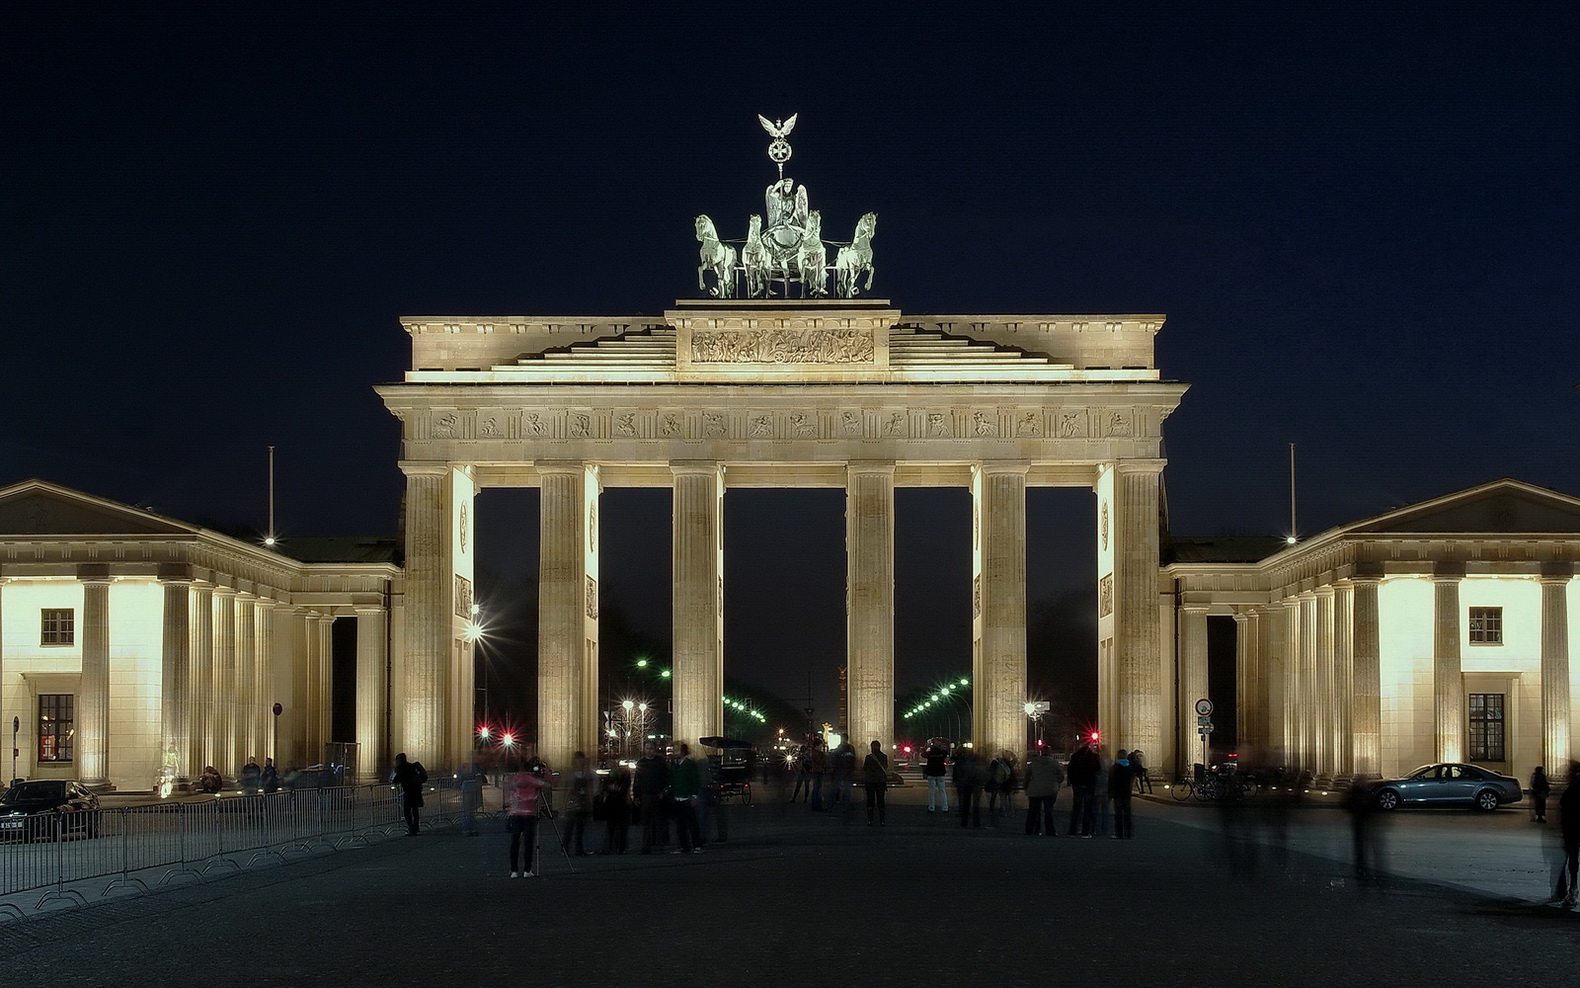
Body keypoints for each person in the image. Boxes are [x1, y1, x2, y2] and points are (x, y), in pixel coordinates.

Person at [506, 766, 550, 878]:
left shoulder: (515, 779)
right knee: (528, 843)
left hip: (515, 813)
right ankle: (527, 870)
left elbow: (509, 788)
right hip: (529, 813)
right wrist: (546, 772)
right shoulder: (532, 779)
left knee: (515, 842)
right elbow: (547, 784)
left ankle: (514, 870)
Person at [634, 740, 670, 854]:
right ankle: (646, 846)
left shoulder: (660, 762)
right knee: (646, 823)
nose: (649, 751)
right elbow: (637, 781)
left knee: (658, 822)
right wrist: (636, 796)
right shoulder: (641, 762)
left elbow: (666, 778)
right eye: (647, 748)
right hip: (645, 796)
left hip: (657, 796)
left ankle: (659, 845)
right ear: (644, 749)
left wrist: (663, 791)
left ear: (655, 749)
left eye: (651, 748)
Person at [669, 743, 704, 853]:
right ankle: (684, 846)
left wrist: (694, 796)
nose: (674, 753)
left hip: (687, 799)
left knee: (692, 824)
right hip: (677, 798)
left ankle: (697, 845)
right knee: (680, 826)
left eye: (676, 750)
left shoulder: (689, 764)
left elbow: (695, 780)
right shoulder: (674, 765)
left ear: (683, 751)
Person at [1023, 746, 1064, 836]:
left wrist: (1026, 787)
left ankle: (1032, 829)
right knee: (1048, 811)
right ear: (1050, 752)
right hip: (1050, 789)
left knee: (1033, 811)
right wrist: (1056, 783)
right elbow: (1061, 776)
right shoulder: (1054, 763)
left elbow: (1027, 776)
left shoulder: (1034, 763)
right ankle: (1050, 830)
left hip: (1035, 789)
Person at [1555, 763, 1580, 908]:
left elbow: (1564, 808)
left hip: (1572, 829)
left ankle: (1572, 891)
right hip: (1573, 828)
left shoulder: (1570, 789)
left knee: (1572, 861)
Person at [561, 751, 593, 855]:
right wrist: (564, 804)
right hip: (573, 800)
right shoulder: (569, 772)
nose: (580, 761)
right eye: (578, 759)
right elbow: (565, 788)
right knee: (569, 827)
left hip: (583, 800)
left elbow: (589, 787)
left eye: (581, 759)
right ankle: (565, 848)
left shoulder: (586, 772)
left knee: (580, 827)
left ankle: (579, 848)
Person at [1066, 742, 1100, 837]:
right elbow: (1098, 769)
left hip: (1077, 784)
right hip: (1089, 784)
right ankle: (1086, 832)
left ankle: (1072, 831)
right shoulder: (1094, 756)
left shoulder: (1075, 756)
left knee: (1076, 808)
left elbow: (1070, 770)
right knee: (1088, 808)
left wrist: (1072, 781)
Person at [599, 759, 632, 854]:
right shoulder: (620, 775)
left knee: (614, 827)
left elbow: (606, 788)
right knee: (617, 827)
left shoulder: (613, 775)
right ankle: (619, 847)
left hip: (617, 802)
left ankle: (614, 847)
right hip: (617, 802)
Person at [391, 752, 428, 836]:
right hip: (416, 791)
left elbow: (396, 779)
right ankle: (416, 827)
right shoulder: (412, 766)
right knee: (415, 811)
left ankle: (411, 828)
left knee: (407, 811)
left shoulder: (401, 768)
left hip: (408, 792)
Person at [954, 748, 986, 828]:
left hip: (967, 783)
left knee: (966, 803)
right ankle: (976, 823)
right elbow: (983, 772)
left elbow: (961, 771)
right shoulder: (980, 762)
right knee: (976, 804)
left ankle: (964, 822)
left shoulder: (966, 762)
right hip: (976, 784)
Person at [1109, 750, 1137, 839]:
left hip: (1117, 792)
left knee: (1118, 814)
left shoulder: (1114, 767)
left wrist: (1110, 792)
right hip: (1126, 792)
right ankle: (1128, 833)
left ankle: (1119, 833)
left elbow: (1111, 781)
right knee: (1127, 813)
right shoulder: (1130, 767)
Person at [457, 753, 486, 836]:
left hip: (470, 788)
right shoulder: (469, 766)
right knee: (468, 811)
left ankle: (470, 828)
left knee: (470, 811)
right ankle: (468, 828)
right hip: (471, 788)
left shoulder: (469, 766)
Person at [863, 740, 889, 826]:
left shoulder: (869, 757)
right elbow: (885, 766)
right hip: (880, 781)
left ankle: (870, 820)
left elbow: (864, 768)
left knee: (870, 801)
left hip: (870, 781)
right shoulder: (884, 757)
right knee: (881, 801)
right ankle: (882, 820)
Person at [923, 741, 950, 813]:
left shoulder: (930, 753)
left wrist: (927, 747)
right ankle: (945, 807)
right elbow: (946, 753)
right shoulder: (942, 753)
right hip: (940, 773)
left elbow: (923, 754)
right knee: (942, 791)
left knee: (931, 791)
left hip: (931, 773)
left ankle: (931, 807)